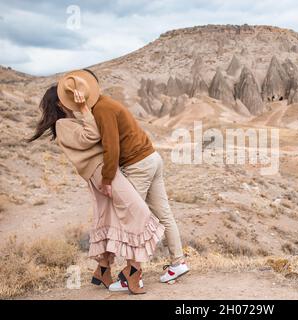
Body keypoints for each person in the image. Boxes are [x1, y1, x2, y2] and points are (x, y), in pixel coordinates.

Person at [28, 70, 165, 294]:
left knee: (108, 218)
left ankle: (103, 269)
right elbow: (92, 136)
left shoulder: (71, 121)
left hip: (100, 171)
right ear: (60, 105)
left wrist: (82, 113)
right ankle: (132, 272)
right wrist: (83, 110)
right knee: (137, 211)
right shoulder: (63, 125)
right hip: (100, 172)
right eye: (66, 100)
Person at [86, 69, 189, 282]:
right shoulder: (107, 103)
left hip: (137, 165)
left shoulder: (102, 109)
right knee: (164, 215)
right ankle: (178, 263)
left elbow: (111, 148)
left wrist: (106, 179)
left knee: (131, 220)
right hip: (152, 158)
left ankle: (132, 277)